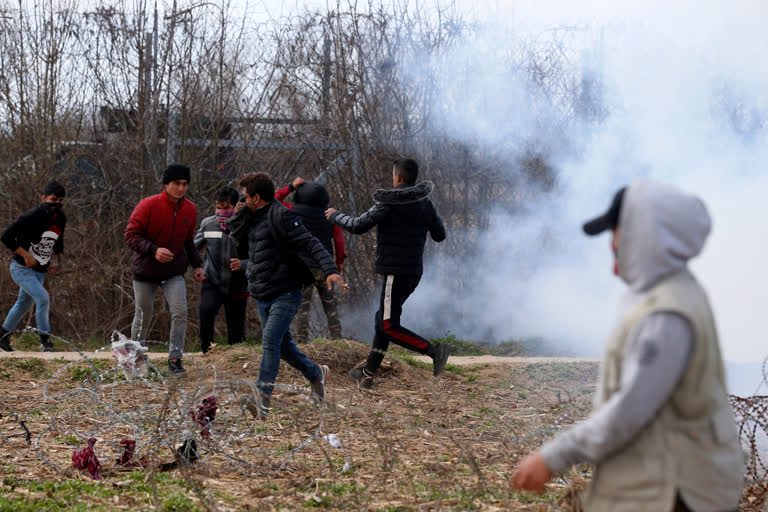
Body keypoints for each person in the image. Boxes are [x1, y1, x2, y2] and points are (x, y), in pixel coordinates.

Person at [511, 180, 744, 512]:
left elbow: (629, 412)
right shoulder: (673, 290)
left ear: (644, 236)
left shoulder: (666, 314)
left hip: (679, 495)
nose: (613, 244)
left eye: (617, 233)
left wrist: (553, 457)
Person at [228, 172, 347, 419]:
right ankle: (316, 373)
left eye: (245, 197)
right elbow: (233, 235)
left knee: (270, 341)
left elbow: (312, 243)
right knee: (283, 346)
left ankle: (261, 399)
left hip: (286, 291)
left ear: (257, 198)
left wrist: (331, 270)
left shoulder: (283, 215)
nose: (243, 201)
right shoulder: (250, 216)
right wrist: (240, 212)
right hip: (262, 291)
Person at [325, 158, 449, 388]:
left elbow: (357, 225)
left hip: (395, 271)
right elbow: (440, 235)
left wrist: (334, 216)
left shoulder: (388, 202)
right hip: (414, 272)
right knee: (383, 319)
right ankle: (368, 371)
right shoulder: (426, 203)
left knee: (389, 326)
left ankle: (433, 350)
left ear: (398, 178)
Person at [124, 164, 204, 377]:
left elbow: (189, 242)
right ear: (166, 184)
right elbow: (131, 235)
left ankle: (175, 360)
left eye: (185, 184)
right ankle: (136, 361)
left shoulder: (190, 209)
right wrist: (153, 250)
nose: (181, 188)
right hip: (145, 271)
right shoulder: (148, 205)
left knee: (180, 312)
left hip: (173, 272)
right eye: (177, 183)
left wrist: (197, 265)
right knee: (143, 314)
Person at [275, 177, 346, 342]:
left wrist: (290, 187)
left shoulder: (291, 210)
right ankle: (337, 340)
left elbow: (273, 200)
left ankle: (301, 341)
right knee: (331, 307)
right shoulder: (329, 215)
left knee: (302, 308)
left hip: (301, 268)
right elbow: (339, 241)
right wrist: (338, 263)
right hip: (325, 267)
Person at [0, 181, 67, 352]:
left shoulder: (60, 218)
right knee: (43, 298)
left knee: (23, 303)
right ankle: (45, 341)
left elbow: (58, 241)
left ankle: (2, 336)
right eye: (53, 199)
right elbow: (6, 236)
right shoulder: (31, 216)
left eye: (60, 200)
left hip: (39, 270)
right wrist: (26, 255)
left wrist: (58, 261)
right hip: (21, 268)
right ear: (43, 198)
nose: (56, 204)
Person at [194, 186, 249, 354]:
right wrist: (196, 266)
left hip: (238, 283)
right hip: (213, 279)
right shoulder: (208, 224)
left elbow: (259, 255)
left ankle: (235, 357)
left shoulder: (246, 225)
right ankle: (206, 351)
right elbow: (192, 249)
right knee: (206, 311)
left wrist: (243, 264)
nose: (222, 212)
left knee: (236, 328)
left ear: (235, 206)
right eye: (219, 207)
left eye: (226, 208)